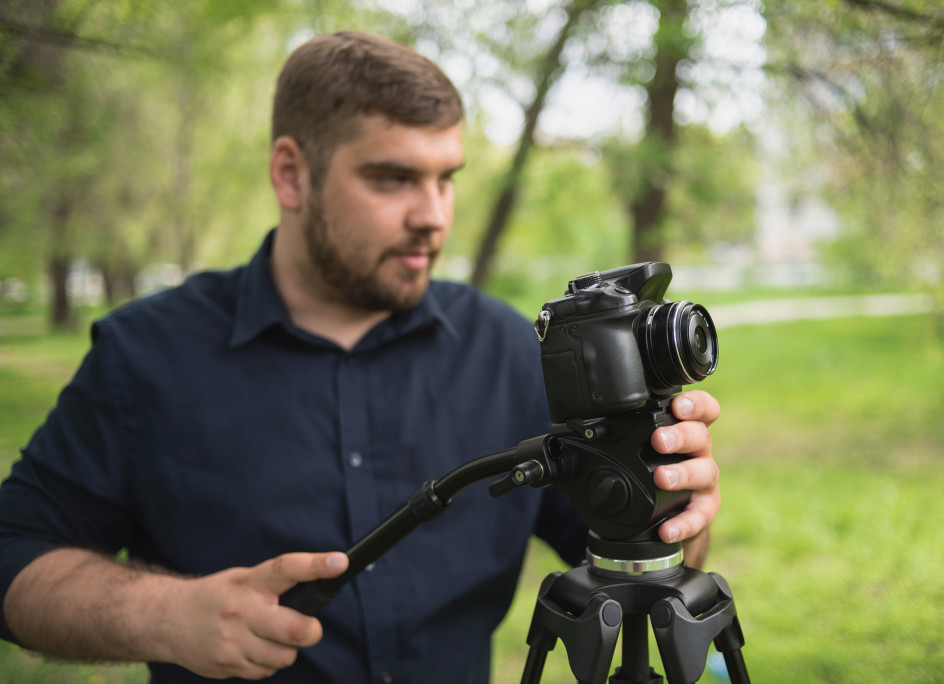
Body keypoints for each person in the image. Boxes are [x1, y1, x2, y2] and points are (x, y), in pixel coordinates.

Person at [0, 31, 722, 683]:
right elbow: (16, 555)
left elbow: (634, 560)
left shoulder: (510, 349)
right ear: (290, 174)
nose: (434, 215)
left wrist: (674, 501)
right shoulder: (144, 356)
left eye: (446, 178)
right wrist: (166, 614)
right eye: (393, 179)